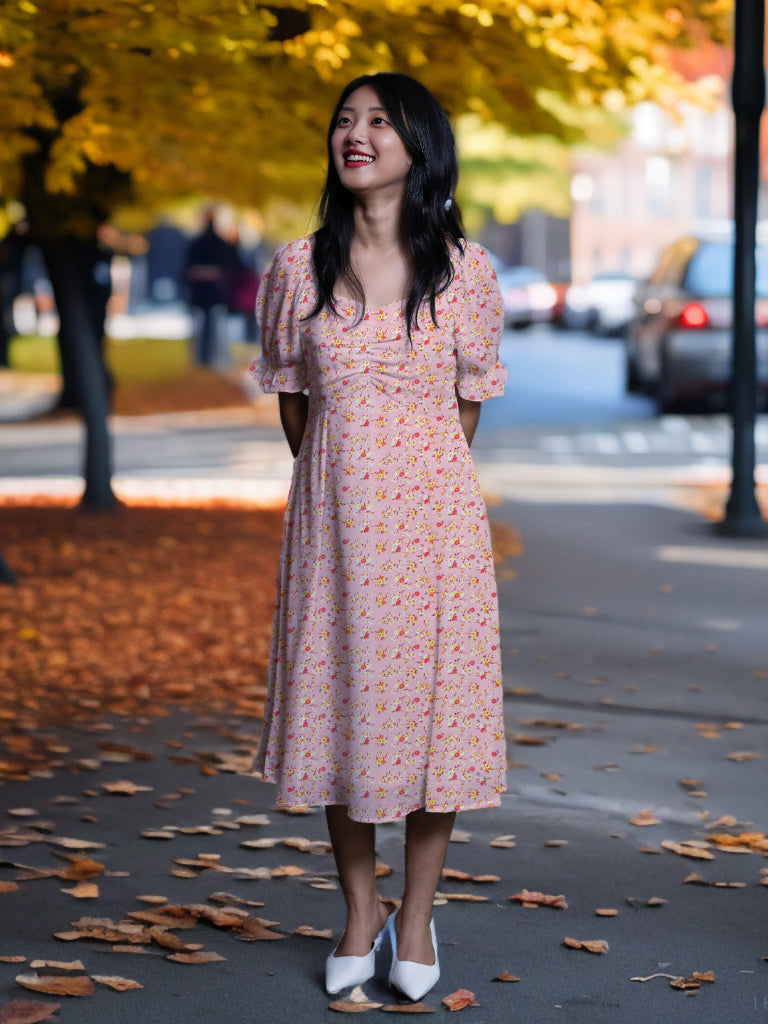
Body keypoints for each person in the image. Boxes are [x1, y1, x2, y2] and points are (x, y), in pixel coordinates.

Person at [252, 72, 507, 1003]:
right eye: (344, 120)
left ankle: (419, 909)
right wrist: (342, 477)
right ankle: (359, 911)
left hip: (436, 529)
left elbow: (467, 405)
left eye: (379, 122)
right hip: (330, 524)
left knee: (431, 717)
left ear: (419, 146)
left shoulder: (467, 271)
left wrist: (409, 480)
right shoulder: (296, 267)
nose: (355, 134)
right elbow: (294, 399)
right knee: (339, 710)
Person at [184, 208, 239, 365]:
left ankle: (204, 358)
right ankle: (209, 358)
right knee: (212, 326)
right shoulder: (220, 244)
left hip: (202, 291)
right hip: (213, 292)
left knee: (204, 326)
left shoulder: (196, 243)